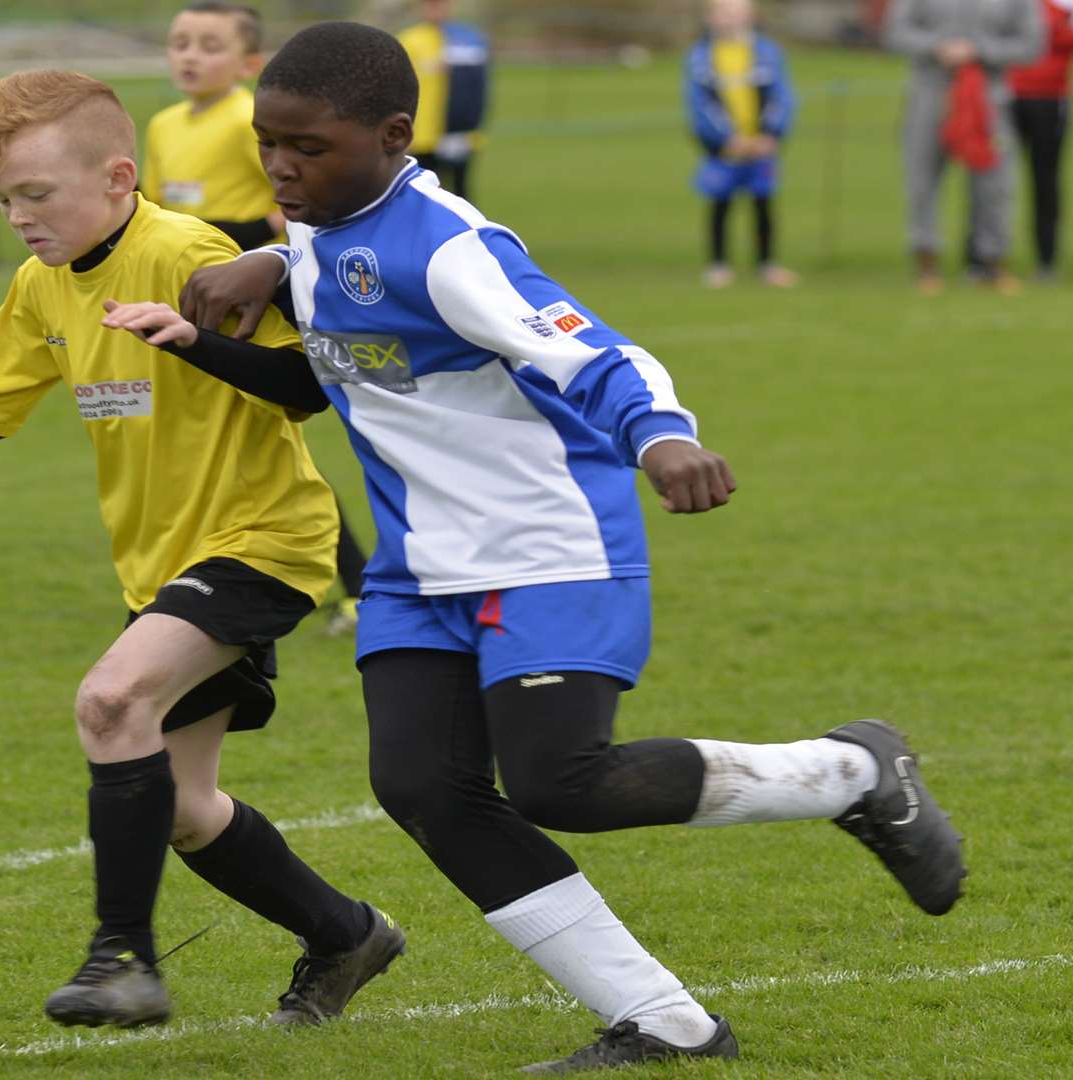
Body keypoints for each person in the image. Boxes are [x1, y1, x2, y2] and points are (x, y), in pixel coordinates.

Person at [120, 22, 965, 1072]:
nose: (282, 169)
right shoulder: (318, 226)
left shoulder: (454, 249)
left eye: (308, 149)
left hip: (545, 549)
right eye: (269, 144)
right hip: (420, 569)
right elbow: (320, 385)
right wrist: (219, 314)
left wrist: (663, 439)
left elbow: (598, 352)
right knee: (426, 789)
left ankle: (850, 771)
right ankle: (667, 1024)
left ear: (394, 135)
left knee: (562, 781)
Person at [0, 69, 404, 1031]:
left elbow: (310, 385)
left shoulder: (189, 250)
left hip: (264, 542)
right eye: (4, 199)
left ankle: (122, 963)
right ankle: (346, 933)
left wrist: (189, 338)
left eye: (35, 194)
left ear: (117, 177)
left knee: (111, 702)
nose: (19, 217)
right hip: (163, 567)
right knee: (186, 807)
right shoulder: (41, 285)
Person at [142, 0, 369, 634]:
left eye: (209, 45)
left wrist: (277, 271)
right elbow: (156, 215)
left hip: (250, 289)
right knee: (203, 441)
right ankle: (202, 572)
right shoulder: (163, 124)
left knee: (273, 444)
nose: (190, 55)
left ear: (250, 63)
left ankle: (359, 588)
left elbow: (292, 207)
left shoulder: (252, 119)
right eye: (180, 41)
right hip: (194, 290)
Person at [885, 0, 1045, 293]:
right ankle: (926, 263)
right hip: (929, 95)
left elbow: (1031, 45)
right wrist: (937, 47)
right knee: (922, 181)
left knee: (995, 184)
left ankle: (993, 264)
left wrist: (979, 50)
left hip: (989, 98)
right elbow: (895, 33)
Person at [684, 0, 799, 288]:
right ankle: (719, 264)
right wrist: (726, 139)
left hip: (762, 146)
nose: (731, 19)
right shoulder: (700, 57)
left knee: (763, 203)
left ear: (751, 16)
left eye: (737, 13)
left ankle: (767, 264)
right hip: (725, 149)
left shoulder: (768, 53)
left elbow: (782, 96)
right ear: (710, 17)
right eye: (724, 13)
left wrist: (770, 134)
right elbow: (699, 104)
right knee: (720, 203)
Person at [397, 0, 490, 202]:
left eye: (441, 4)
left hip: (458, 130)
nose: (436, 10)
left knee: (461, 191)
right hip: (422, 133)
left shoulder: (467, 38)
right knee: (425, 194)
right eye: (431, 5)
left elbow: (481, 83)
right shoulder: (411, 39)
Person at [1008, 0, 1073, 278]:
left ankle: (1046, 260)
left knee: (1045, 181)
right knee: (994, 178)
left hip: (1050, 99)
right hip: (1007, 97)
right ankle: (984, 257)